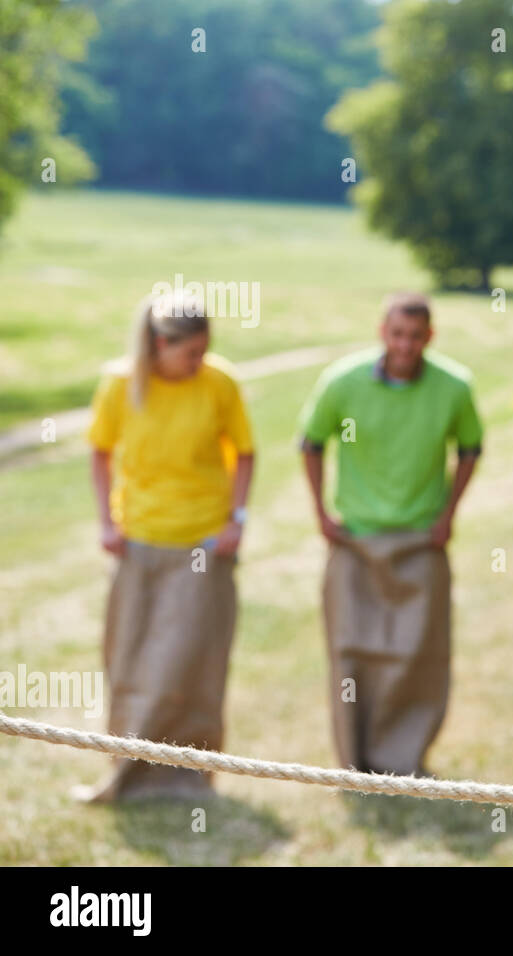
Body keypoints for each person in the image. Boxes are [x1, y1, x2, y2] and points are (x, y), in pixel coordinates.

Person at [77, 291, 255, 802]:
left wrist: (236, 519)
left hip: (204, 543)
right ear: (160, 344)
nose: (200, 361)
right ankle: (127, 774)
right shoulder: (119, 385)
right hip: (138, 542)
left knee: (194, 662)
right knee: (131, 660)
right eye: (191, 353)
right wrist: (106, 522)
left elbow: (245, 452)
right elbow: (99, 451)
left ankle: (189, 776)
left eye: (204, 350)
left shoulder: (219, 383)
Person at [299, 292, 482, 777]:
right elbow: (311, 443)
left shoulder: (454, 387)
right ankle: (353, 761)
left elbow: (470, 448)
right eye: (397, 334)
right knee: (350, 651)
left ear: (430, 337)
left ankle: (404, 759)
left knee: (417, 653)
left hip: (421, 540)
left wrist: (448, 514)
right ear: (383, 332)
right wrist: (321, 513)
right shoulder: (341, 382)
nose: (405, 345)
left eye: (415, 336)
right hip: (355, 540)